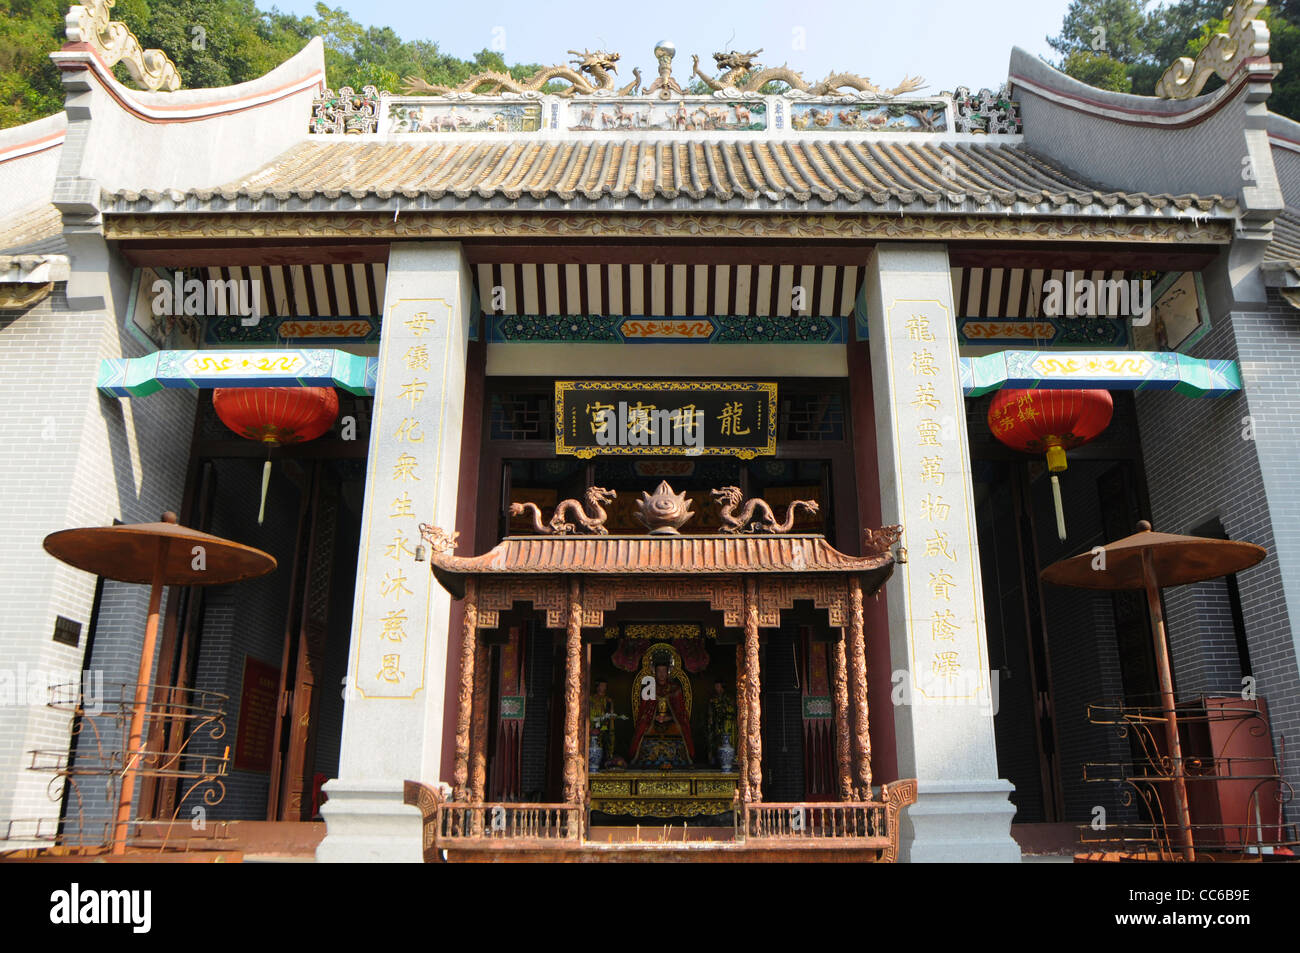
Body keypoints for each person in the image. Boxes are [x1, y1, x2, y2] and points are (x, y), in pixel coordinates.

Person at [629, 650, 694, 768]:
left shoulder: (675, 688)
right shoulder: (649, 688)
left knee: (681, 729)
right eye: (659, 671)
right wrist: (654, 717)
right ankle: (642, 758)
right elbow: (644, 710)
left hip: (671, 721)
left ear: (668, 672)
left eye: (664, 671)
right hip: (652, 721)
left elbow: (680, 711)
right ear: (654, 672)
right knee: (642, 728)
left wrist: (669, 717)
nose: (662, 674)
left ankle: (680, 759)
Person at [707, 679, 737, 766]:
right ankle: (717, 760)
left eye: (718, 686)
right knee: (717, 741)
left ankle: (730, 761)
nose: (716, 688)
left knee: (728, 741)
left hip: (728, 724)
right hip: (717, 724)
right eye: (715, 686)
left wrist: (722, 708)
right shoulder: (713, 699)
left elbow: (731, 709)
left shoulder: (729, 698)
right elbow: (710, 712)